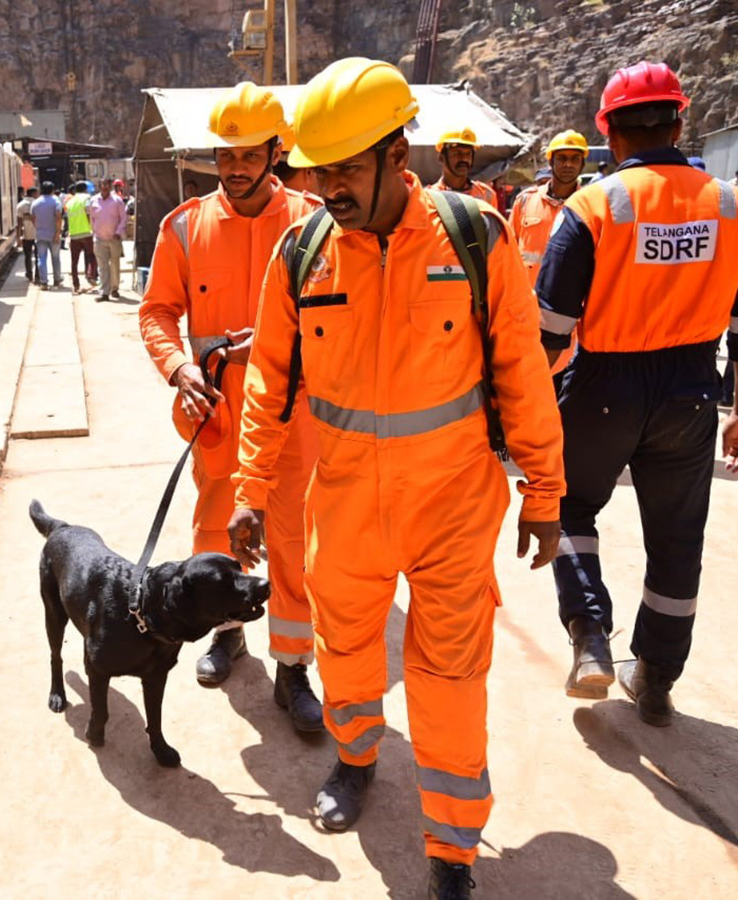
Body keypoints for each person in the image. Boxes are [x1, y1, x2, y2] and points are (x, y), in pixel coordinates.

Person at [227, 59, 563, 898]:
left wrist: (546, 491)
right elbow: (269, 376)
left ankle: (451, 848)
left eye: (347, 167)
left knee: (450, 683)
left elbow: (522, 368)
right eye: (320, 169)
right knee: (346, 660)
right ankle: (356, 760)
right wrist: (248, 486)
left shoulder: (474, 238)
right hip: (341, 509)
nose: (330, 186)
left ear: (397, 150)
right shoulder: (303, 254)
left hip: (453, 507)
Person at [536, 61, 738, 726]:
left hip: (605, 385)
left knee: (567, 507)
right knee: (678, 539)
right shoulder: (728, 204)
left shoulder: (594, 206)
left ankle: (591, 640)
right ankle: (654, 678)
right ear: (679, 122)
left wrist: (525, 410)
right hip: (691, 389)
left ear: (609, 134)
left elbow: (552, 328)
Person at [139, 81, 324, 731]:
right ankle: (227, 630)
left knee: (293, 539)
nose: (237, 167)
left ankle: (294, 665)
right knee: (217, 530)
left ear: (277, 152)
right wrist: (179, 366)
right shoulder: (185, 228)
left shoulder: (310, 223)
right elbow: (158, 312)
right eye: (225, 155)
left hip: (294, 415)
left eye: (249, 154)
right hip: (217, 413)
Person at [510, 130, 589, 384]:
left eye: (574, 159)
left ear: (582, 164)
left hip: (567, 322)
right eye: (562, 158)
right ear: (551, 161)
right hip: (524, 314)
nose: (568, 164)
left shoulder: (590, 206)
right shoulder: (525, 202)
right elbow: (508, 254)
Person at [429, 128, 500, 211]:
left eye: (468, 154)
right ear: (441, 158)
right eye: (456, 153)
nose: (464, 158)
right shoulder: (429, 197)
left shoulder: (486, 194)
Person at [89, 178, 128, 301]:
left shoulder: (117, 201)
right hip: (99, 239)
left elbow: (123, 218)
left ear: (110, 186)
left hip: (114, 238)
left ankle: (114, 289)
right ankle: (104, 292)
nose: (105, 187)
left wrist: (118, 232)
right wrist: (94, 232)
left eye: (107, 184)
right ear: (99, 186)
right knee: (102, 266)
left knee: (114, 265)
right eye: (102, 184)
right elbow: (92, 218)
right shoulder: (93, 200)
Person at [63, 182, 98, 294]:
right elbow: (88, 212)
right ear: (85, 189)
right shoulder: (87, 198)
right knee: (92, 256)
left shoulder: (70, 202)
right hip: (87, 232)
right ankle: (91, 275)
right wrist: (92, 226)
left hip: (74, 234)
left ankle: (76, 285)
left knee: (74, 261)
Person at [30, 181, 63, 288]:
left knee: (42, 258)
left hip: (40, 234)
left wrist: (38, 227)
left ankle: (44, 282)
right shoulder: (55, 201)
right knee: (55, 258)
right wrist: (57, 233)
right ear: (52, 190)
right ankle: (57, 279)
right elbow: (58, 217)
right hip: (53, 234)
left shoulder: (35, 202)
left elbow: (33, 218)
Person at [17, 187, 38, 284]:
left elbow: (19, 223)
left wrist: (19, 237)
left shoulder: (20, 205)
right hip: (38, 233)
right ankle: (38, 274)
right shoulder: (38, 204)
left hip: (26, 234)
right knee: (39, 256)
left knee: (27, 255)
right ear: (34, 194)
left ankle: (29, 274)